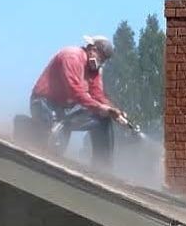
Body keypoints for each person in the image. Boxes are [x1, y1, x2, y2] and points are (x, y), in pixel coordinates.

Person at [30, 35, 128, 165]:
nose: (101, 62)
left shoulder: (94, 70)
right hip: (43, 103)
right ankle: (36, 131)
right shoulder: (72, 57)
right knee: (50, 145)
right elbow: (76, 92)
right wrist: (101, 108)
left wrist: (115, 111)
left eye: (104, 60)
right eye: (101, 57)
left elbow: (97, 94)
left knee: (103, 119)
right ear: (92, 49)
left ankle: (103, 166)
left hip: (62, 111)